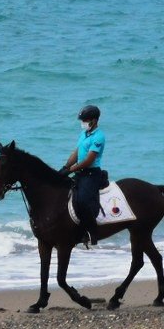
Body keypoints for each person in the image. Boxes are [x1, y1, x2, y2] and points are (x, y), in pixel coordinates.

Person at [60, 105, 106, 245]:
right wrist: (65, 167)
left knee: (83, 201)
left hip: (92, 174)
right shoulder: (84, 134)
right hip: (80, 172)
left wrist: (71, 169)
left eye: (85, 120)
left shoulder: (99, 137)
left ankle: (91, 233)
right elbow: (77, 152)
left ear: (94, 120)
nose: (83, 122)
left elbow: (89, 160)